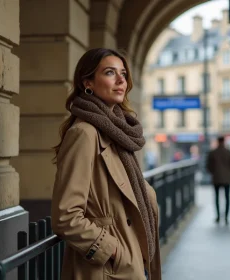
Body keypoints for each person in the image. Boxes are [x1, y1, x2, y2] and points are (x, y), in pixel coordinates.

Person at [51, 48, 161, 280]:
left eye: (123, 73)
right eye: (110, 73)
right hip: (108, 270)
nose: (121, 80)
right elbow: (66, 216)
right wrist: (113, 251)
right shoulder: (84, 134)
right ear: (88, 82)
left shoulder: (119, 135)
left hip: (133, 262)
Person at [207, 136, 230, 225]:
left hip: (216, 178)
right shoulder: (228, 152)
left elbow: (208, 165)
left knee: (217, 198)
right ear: (224, 142)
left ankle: (218, 216)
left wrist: (214, 172)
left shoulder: (213, 152)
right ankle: (226, 216)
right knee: (227, 198)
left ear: (218, 142)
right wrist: (228, 171)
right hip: (227, 178)